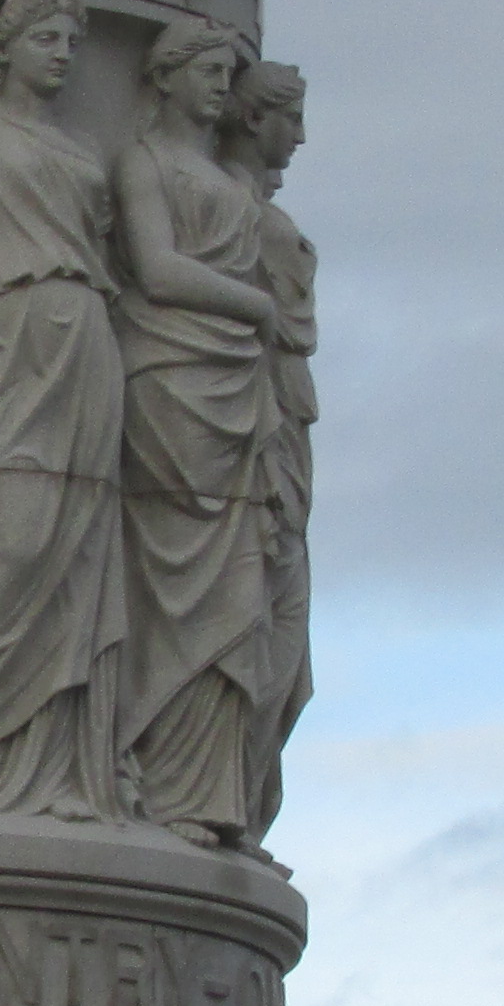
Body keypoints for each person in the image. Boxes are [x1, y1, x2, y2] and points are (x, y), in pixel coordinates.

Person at [0, 0, 130, 817]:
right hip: (5, 333)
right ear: (4, 46)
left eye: (72, 41)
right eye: (46, 37)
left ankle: (61, 766)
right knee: (4, 533)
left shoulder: (84, 146)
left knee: (76, 548)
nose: (63, 53)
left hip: (83, 336)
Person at [112, 22, 284, 847]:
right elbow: (153, 268)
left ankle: (208, 791)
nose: (221, 86)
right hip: (172, 375)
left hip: (234, 384)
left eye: (228, 72)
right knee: (171, 572)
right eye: (208, 71)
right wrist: (254, 307)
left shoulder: (222, 175)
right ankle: (156, 772)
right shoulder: (143, 162)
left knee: (234, 588)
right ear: (167, 76)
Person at [223, 58, 321, 848]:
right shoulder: (231, 213)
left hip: (283, 420)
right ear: (251, 118)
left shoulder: (256, 212)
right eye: (289, 116)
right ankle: (215, 795)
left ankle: (236, 804)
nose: (301, 136)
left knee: (284, 658)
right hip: (241, 426)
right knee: (254, 622)